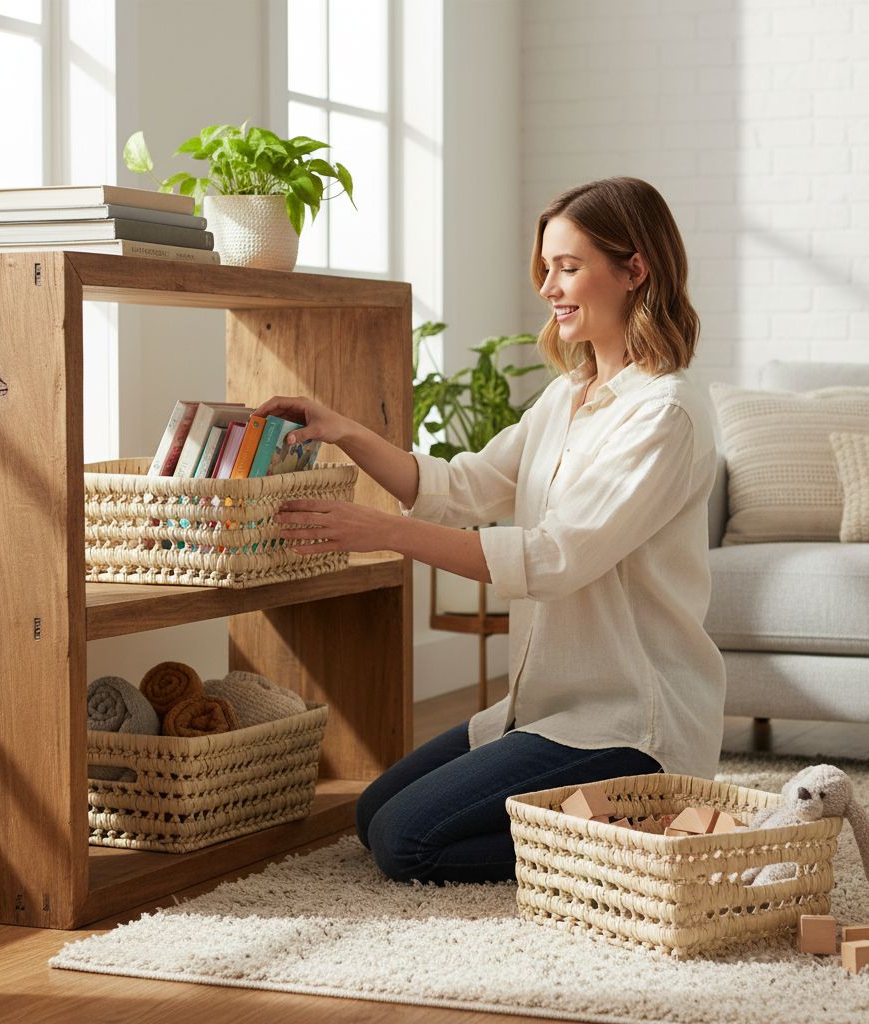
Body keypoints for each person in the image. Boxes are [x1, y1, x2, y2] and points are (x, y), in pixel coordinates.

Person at [254, 176, 726, 885]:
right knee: (374, 813)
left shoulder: (665, 413)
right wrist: (345, 430)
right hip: (546, 710)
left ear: (635, 269)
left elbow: (555, 559)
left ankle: (643, 834)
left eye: (568, 267)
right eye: (547, 267)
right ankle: (605, 825)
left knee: (407, 844)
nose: (549, 287)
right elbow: (464, 486)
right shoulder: (568, 397)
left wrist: (382, 531)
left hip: (629, 724)